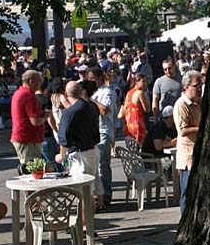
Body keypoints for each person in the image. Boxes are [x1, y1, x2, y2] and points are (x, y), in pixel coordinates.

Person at [56, 81, 102, 202]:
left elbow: (64, 136)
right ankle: (88, 218)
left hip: (80, 154)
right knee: (90, 190)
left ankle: (85, 219)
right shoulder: (90, 106)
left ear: (66, 94)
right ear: (81, 92)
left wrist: (61, 155)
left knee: (83, 193)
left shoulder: (70, 113)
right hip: (93, 150)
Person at [174, 70, 202, 216]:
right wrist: (202, 128)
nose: (199, 89)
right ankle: (184, 223)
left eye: (201, 86)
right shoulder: (181, 105)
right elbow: (183, 130)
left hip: (200, 154)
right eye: (196, 86)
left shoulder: (199, 102)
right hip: (188, 158)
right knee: (187, 194)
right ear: (186, 86)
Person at [88, 67, 117, 209]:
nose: (90, 81)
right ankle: (97, 196)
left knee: (102, 165)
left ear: (99, 77)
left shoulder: (107, 92)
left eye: (92, 78)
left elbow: (105, 110)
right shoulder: (93, 92)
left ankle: (106, 196)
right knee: (94, 166)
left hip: (103, 131)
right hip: (93, 131)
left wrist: (90, 100)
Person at [10, 70, 46, 175]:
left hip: (25, 137)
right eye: (38, 82)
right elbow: (35, 121)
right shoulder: (27, 95)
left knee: (31, 168)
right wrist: (45, 117)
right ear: (31, 81)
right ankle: (31, 192)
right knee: (32, 171)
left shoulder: (19, 93)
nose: (40, 85)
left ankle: (31, 191)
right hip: (28, 139)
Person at [35, 79, 59, 170]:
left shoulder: (32, 98)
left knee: (42, 163)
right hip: (47, 134)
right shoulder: (45, 100)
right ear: (47, 87)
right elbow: (50, 118)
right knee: (53, 161)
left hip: (37, 135)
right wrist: (56, 130)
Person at [120, 73, 150, 144]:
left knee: (133, 147)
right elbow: (147, 109)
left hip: (129, 123)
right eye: (143, 81)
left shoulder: (129, 93)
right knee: (141, 145)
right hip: (138, 123)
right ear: (137, 82)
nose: (145, 84)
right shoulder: (140, 93)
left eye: (146, 81)